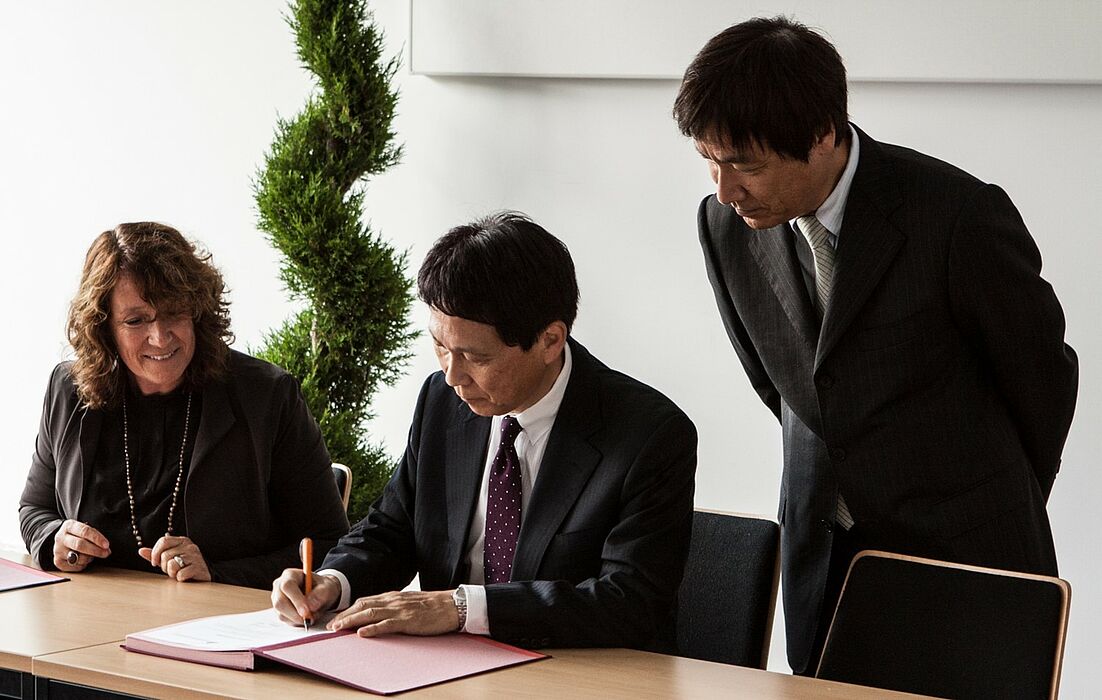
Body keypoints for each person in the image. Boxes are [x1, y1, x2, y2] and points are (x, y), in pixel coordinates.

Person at [673, 17, 1078, 674]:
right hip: (821, 558)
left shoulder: (956, 216)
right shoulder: (724, 224)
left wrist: (994, 499)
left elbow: (1041, 376)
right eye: (709, 162)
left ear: (822, 134)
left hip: (968, 556)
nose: (724, 189)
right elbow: (778, 384)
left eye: (744, 163)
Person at [272, 212, 696, 648]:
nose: (453, 375)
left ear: (550, 341)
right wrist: (331, 580)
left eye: (476, 357)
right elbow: (392, 528)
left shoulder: (649, 434)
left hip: (575, 675)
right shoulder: (441, 399)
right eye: (440, 346)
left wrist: (462, 609)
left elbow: (630, 602)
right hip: (445, 670)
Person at [20, 222, 350, 589]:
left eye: (174, 312)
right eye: (136, 320)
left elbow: (330, 544)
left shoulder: (268, 396)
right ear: (104, 327)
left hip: (214, 626)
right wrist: (55, 540)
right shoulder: (69, 388)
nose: (160, 337)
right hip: (89, 619)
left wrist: (217, 572)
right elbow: (35, 509)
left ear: (198, 310)